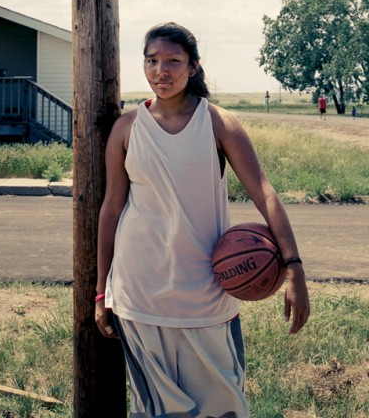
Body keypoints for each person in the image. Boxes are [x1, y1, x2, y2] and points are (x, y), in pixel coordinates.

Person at [95, 22, 310, 418]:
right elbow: (111, 208)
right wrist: (100, 290)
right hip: (139, 290)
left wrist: (293, 267)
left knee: (225, 407)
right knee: (155, 411)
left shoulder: (217, 123)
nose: (162, 70)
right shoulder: (127, 128)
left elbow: (263, 192)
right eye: (152, 61)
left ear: (193, 66)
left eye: (173, 61)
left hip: (207, 291)